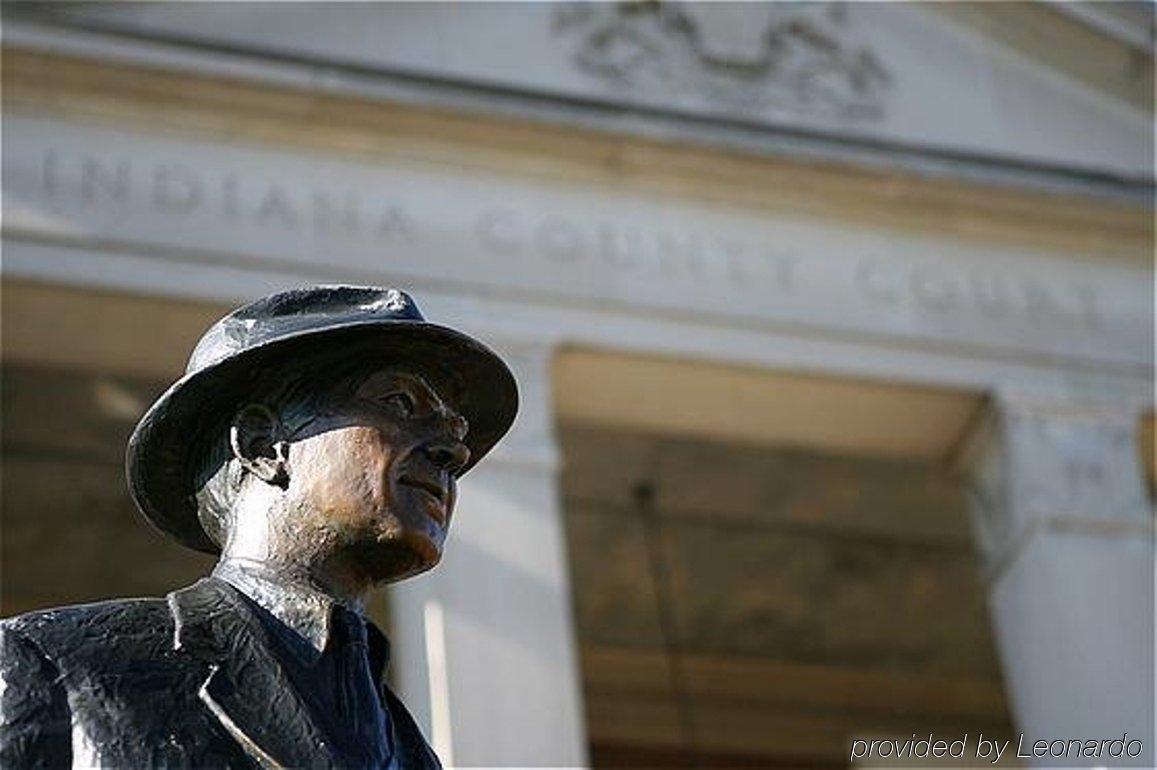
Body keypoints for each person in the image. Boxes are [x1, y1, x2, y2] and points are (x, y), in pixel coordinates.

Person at [0, 286, 518, 769]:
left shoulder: (412, 753)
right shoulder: (51, 663)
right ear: (261, 445)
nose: (455, 451)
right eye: (399, 403)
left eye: (455, 431)